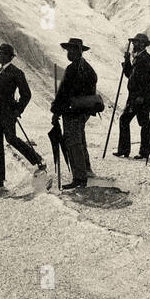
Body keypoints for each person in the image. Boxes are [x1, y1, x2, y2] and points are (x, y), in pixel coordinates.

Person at [0, 42, 47, 191]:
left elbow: (26, 94)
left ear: (6, 56)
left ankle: (37, 159)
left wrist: (17, 110)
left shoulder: (16, 72)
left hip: (6, 114)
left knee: (11, 139)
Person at [52, 37, 99, 188]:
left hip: (72, 110)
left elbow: (64, 92)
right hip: (83, 111)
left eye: (71, 50)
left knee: (73, 142)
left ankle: (79, 178)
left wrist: (56, 109)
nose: (68, 53)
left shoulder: (73, 68)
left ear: (77, 51)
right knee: (80, 140)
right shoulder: (87, 68)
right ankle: (86, 170)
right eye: (68, 50)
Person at [114, 33, 150, 159]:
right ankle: (128, 150)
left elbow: (149, 80)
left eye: (136, 43)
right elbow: (130, 76)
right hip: (134, 97)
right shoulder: (137, 58)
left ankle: (140, 151)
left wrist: (142, 95)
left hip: (140, 97)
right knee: (133, 121)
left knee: (141, 123)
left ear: (142, 44)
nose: (133, 45)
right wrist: (127, 61)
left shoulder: (146, 58)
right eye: (133, 43)